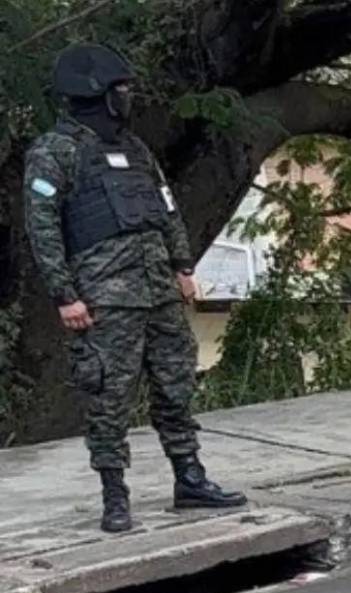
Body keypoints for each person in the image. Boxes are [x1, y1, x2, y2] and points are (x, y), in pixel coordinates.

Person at [24, 43, 246, 533]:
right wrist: (65, 295)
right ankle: (115, 497)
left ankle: (190, 479)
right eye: (122, 89)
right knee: (108, 400)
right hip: (103, 301)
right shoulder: (53, 152)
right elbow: (41, 229)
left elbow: (165, 208)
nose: (129, 97)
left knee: (176, 388)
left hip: (159, 294)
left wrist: (183, 265)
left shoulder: (135, 148)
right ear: (99, 94)